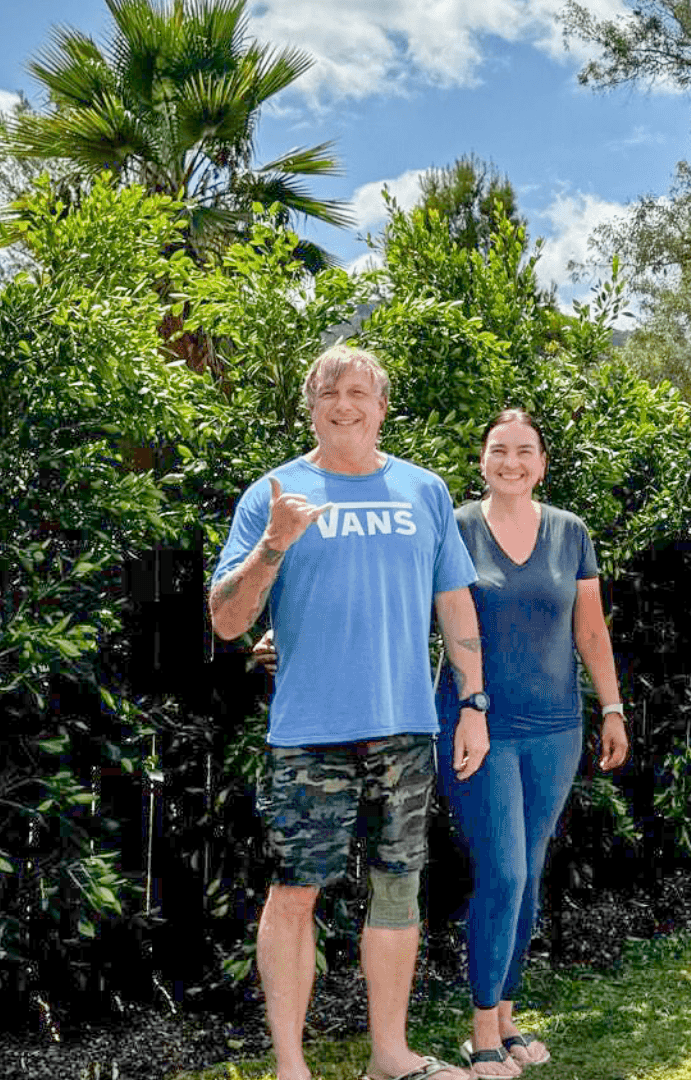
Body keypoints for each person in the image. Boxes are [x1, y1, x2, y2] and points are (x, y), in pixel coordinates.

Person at [209, 344, 487, 1080]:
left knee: (398, 889)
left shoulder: (424, 491)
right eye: (330, 390)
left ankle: (390, 1057)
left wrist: (474, 703)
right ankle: (291, 1067)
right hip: (310, 734)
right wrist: (273, 547)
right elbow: (228, 622)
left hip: (405, 728)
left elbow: (454, 603)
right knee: (295, 892)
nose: (344, 402)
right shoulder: (273, 493)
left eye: (359, 391)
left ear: (382, 408)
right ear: (310, 404)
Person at [437, 408, 629, 1077]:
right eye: (499, 450)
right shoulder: (455, 528)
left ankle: (510, 1019)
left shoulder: (570, 532)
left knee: (530, 879)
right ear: (483, 460)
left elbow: (592, 631)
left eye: (524, 451)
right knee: (504, 872)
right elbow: (410, 609)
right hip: (478, 726)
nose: (511, 462)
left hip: (556, 730)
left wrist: (611, 708)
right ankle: (481, 1031)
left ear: (542, 463)